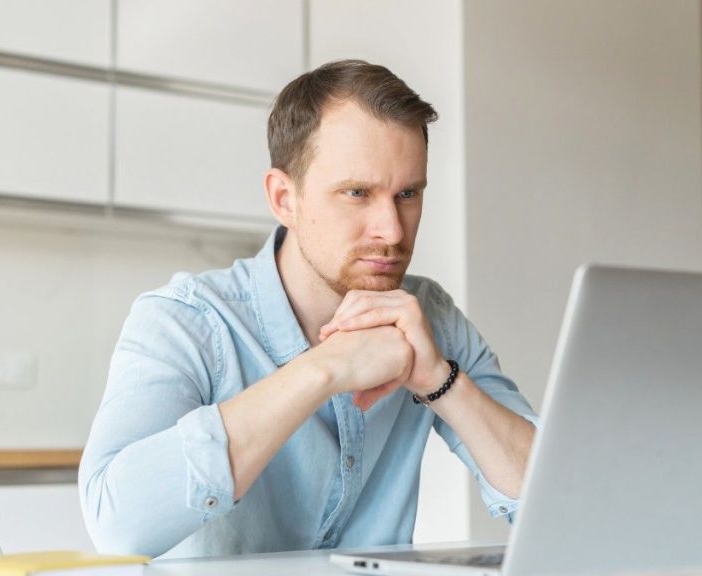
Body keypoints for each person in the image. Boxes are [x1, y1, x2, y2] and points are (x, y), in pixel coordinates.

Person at [79, 59, 538, 559]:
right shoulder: (185, 322)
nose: (392, 230)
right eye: (357, 193)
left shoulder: (431, 319)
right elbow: (117, 525)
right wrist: (322, 369)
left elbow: (553, 498)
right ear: (284, 197)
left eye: (407, 194)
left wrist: (437, 379)